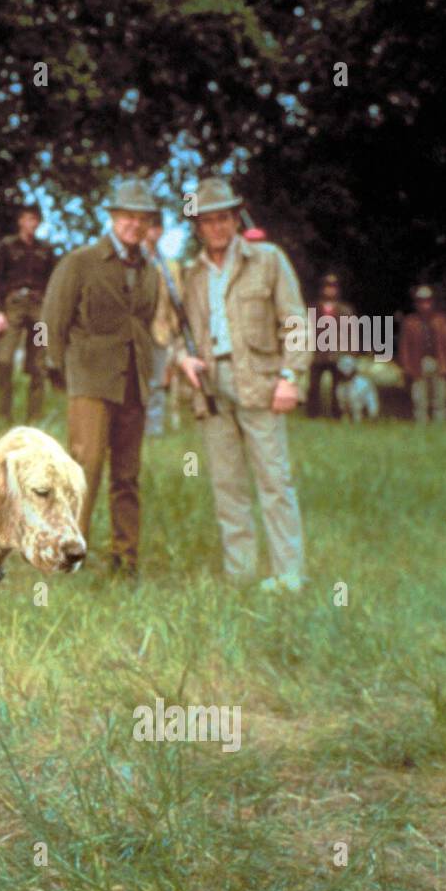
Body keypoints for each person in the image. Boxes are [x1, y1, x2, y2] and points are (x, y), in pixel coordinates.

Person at [173, 178, 310, 593]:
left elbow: (296, 323)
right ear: (197, 226)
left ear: (236, 219)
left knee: (274, 481)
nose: (217, 228)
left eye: (224, 219)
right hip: (211, 388)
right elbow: (179, 332)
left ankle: (289, 574)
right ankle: (241, 573)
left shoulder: (267, 259)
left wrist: (291, 377)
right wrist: (182, 358)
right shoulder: (190, 275)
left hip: (260, 381)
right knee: (226, 483)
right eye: (208, 221)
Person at [43, 179, 162, 579]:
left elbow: (143, 323)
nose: (134, 224)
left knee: (127, 476)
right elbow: (53, 321)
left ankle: (125, 561)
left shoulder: (150, 270)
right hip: (91, 382)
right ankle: (68, 557)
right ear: (112, 217)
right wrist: (64, 374)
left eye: (142, 218)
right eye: (127, 215)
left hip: (134, 384)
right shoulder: (81, 261)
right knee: (84, 470)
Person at [0, 203, 56, 422]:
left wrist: (50, 312)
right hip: (14, 305)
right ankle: (4, 413)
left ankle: (35, 416)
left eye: (36, 220)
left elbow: (53, 281)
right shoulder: (7, 246)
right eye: (28, 219)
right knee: (4, 358)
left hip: (39, 308)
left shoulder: (45, 249)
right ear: (20, 221)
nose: (32, 224)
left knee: (39, 361)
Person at [398, 285, 446, 424]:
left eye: (428, 301)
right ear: (416, 303)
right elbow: (404, 346)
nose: (425, 304)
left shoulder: (442, 320)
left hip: (439, 362)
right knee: (419, 396)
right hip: (418, 363)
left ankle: (440, 423)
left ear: (433, 302)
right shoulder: (410, 322)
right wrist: (406, 366)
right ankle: (421, 422)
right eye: (421, 301)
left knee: (440, 395)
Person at [142, 212, 179, 436]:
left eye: (157, 227)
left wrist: (174, 332)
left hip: (159, 330)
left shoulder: (170, 266)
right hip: (133, 330)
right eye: (149, 227)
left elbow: (176, 302)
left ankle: (153, 430)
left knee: (156, 382)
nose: (152, 232)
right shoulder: (132, 258)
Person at [306, 273, 357, 418]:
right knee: (314, 385)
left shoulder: (345, 310)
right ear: (322, 289)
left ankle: (337, 413)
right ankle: (312, 413)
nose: (330, 291)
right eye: (327, 287)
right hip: (317, 353)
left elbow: (351, 333)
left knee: (337, 386)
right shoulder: (313, 308)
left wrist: (350, 354)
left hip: (338, 354)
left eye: (333, 287)